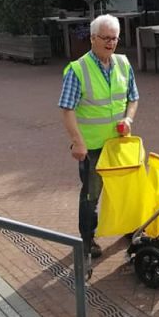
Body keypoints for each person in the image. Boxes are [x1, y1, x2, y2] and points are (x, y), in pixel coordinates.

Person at [58, 14, 139, 264]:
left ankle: (129, 228)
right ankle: (87, 239)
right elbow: (67, 108)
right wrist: (77, 141)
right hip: (92, 147)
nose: (111, 43)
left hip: (119, 143)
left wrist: (128, 120)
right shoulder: (78, 69)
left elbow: (133, 97)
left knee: (124, 189)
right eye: (105, 38)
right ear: (93, 38)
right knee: (92, 194)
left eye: (114, 38)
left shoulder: (123, 64)